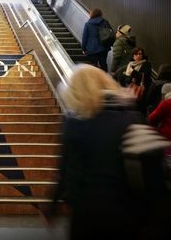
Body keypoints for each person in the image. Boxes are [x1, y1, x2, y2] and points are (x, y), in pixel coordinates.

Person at [47, 64, 145, 240]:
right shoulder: (131, 118)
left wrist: (53, 204)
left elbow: (66, 168)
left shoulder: (75, 122)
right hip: (125, 210)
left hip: (87, 210)